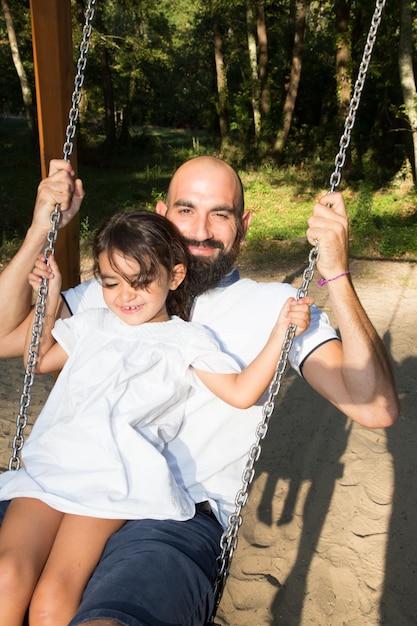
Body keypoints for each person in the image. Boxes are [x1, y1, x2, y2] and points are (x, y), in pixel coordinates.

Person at [0, 157, 399, 626]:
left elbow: (374, 407)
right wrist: (38, 232)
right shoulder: (118, 292)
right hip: (67, 478)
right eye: (186, 210)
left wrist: (336, 273)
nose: (200, 230)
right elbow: (13, 342)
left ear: (243, 225)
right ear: (161, 211)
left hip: (179, 517)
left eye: (221, 214)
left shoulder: (270, 305)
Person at [0, 209, 312, 626]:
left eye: (141, 282)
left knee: (50, 603)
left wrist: (280, 333)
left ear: (175, 275)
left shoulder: (185, 340)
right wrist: (50, 296)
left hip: (111, 480)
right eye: (111, 283)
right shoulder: (91, 324)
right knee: (7, 574)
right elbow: (37, 359)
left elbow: (240, 392)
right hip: (48, 466)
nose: (125, 296)